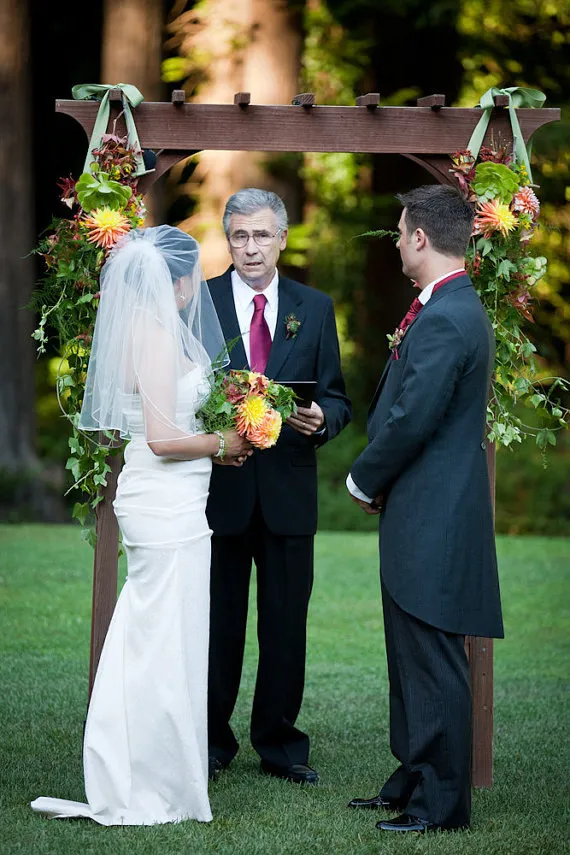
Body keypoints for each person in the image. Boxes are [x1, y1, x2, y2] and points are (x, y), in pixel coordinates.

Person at [31, 226, 251, 826]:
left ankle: (148, 766)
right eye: (191, 281)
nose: (193, 292)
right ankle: (148, 778)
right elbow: (161, 439)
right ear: (177, 286)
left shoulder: (151, 333)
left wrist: (219, 439)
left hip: (172, 498)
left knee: (156, 633)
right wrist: (222, 442)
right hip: (163, 501)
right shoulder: (154, 338)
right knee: (161, 636)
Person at [346, 185, 503, 833]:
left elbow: (414, 417)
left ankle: (440, 806)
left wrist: (362, 477)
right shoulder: (447, 307)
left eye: (400, 228)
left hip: (432, 515)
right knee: (410, 655)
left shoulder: (448, 316)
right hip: (421, 509)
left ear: (419, 237)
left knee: (433, 658)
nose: (398, 239)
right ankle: (412, 777)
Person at [206, 188, 351, 784]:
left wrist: (324, 421)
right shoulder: (201, 301)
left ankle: (281, 744)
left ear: (283, 239)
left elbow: (338, 396)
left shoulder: (314, 307)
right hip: (221, 491)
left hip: (290, 492)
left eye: (261, 235)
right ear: (228, 241)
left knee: (286, 627)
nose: (250, 247)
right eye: (239, 235)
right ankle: (210, 741)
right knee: (216, 624)